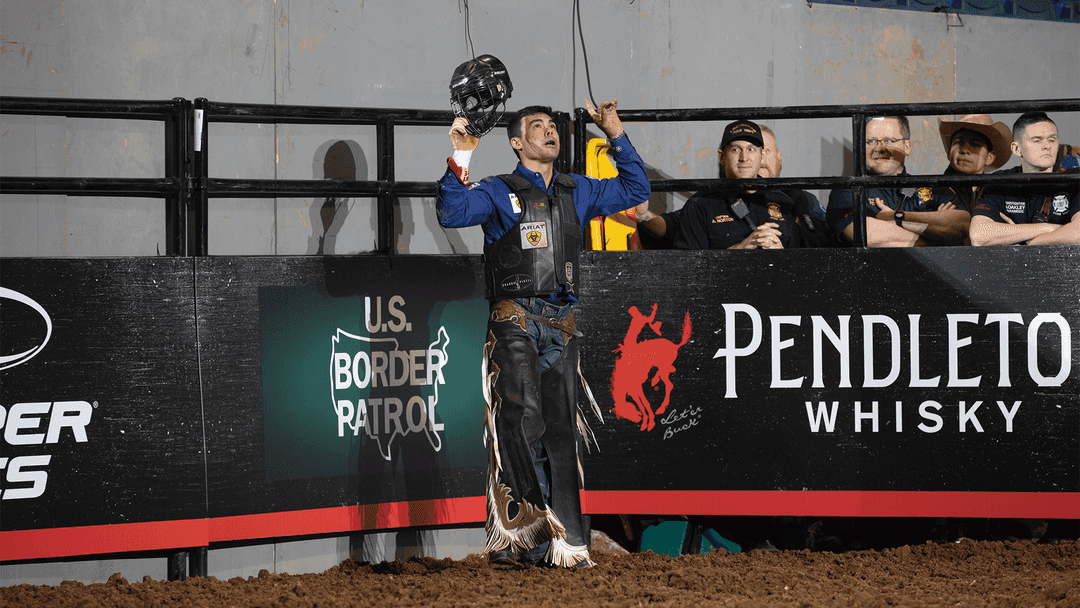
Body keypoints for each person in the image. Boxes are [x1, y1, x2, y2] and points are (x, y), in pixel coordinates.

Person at [436, 99, 651, 569]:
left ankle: (569, 542)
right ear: (516, 141)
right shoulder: (497, 190)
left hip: (562, 325)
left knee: (560, 435)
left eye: (553, 126)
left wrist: (615, 131)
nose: (550, 132)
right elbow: (452, 213)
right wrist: (462, 155)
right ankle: (526, 542)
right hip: (514, 321)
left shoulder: (578, 190)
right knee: (522, 423)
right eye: (538, 126)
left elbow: (637, 187)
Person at [826, 115, 966, 247]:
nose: (879, 148)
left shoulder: (934, 188)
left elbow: (961, 226)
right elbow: (866, 233)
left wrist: (894, 218)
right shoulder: (849, 188)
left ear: (907, 146)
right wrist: (933, 236)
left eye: (888, 140)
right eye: (871, 141)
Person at [673, 119, 802, 250]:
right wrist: (741, 248)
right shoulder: (700, 206)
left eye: (751, 149)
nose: (744, 158)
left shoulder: (784, 202)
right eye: (735, 150)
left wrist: (783, 256)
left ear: (762, 156)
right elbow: (690, 268)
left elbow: (801, 265)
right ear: (722, 157)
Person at [969, 112, 1079, 246]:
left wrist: (1022, 242)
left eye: (1052, 139)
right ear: (1016, 149)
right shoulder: (1000, 182)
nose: (1047, 146)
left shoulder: (1074, 179)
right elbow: (979, 236)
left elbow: (1078, 233)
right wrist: (1051, 228)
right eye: (1037, 140)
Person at [920, 114, 1014, 244]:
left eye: (975, 144)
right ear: (948, 152)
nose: (964, 150)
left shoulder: (1000, 192)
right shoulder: (929, 191)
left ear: (990, 157)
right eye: (958, 142)